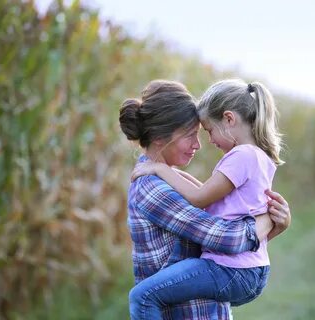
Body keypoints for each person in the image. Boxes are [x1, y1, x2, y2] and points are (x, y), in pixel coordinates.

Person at [119, 80, 290, 320]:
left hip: (208, 308)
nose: (199, 145)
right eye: (190, 136)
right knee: (143, 296)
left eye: (203, 133)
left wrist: (273, 224)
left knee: (143, 296)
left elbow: (221, 223)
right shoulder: (152, 188)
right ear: (159, 137)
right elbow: (227, 239)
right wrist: (269, 222)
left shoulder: (168, 177)